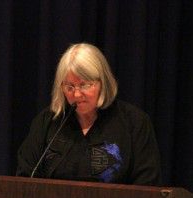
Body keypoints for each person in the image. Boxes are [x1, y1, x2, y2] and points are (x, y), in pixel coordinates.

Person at [16, 43, 162, 185]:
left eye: (84, 85)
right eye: (70, 87)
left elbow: (147, 187)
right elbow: (25, 178)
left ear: (103, 83)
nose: (77, 94)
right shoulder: (47, 122)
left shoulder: (134, 123)